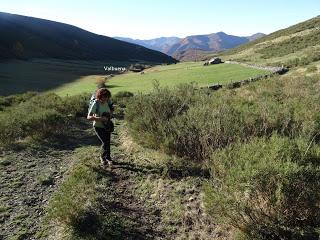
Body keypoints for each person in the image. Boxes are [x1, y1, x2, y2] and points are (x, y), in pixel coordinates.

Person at [87, 88, 114, 166]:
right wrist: (101, 119)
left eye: (107, 97)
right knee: (105, 142)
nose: (106, 99)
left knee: (108, 142)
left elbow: (111, 110)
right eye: (104, 97)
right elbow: (89, 117)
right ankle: (102, 157)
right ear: (100, 96)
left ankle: (108, 158)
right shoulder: (96, 103)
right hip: (98, 126)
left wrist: (110, 115)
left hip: (107, 126)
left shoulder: (108, 102)